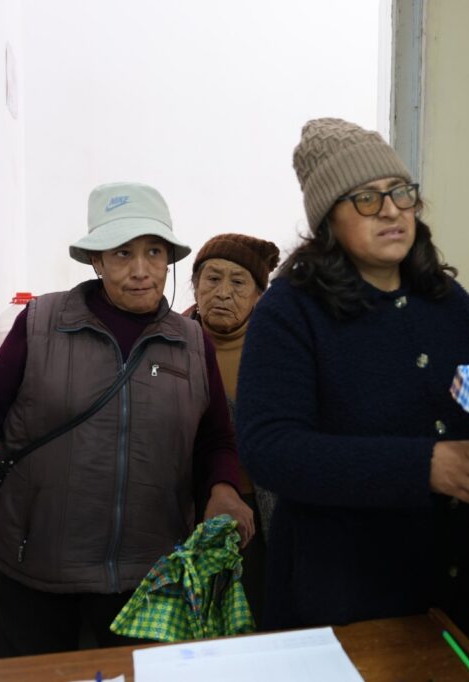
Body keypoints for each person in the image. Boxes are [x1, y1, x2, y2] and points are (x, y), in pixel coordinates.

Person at [0, 181, 254, 657]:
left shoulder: (192, 345)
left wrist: (223, 488)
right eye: (121, 253)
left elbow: (215, 439)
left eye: (154, 252)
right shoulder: (42, 322)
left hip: (149, 575)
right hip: (38, 568)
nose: (140, 270)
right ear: (96, 260)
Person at [236, 118, 469, 653]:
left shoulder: (447, 303)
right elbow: (271, 449)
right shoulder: (290, 311)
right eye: (364, 198)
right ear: (327, 219)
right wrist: (423, 466)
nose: (391, 210)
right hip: (341, 603)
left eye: (400, 192)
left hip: (452, 595)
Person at [185, 232, 280, 623]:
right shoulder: (170, 341)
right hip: (186, 513)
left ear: (259, 295)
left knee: (253, 621)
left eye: (238, 282)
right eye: (212, 278)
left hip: (255, 520)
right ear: (194, 285)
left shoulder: (278, 351)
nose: (223, 292)